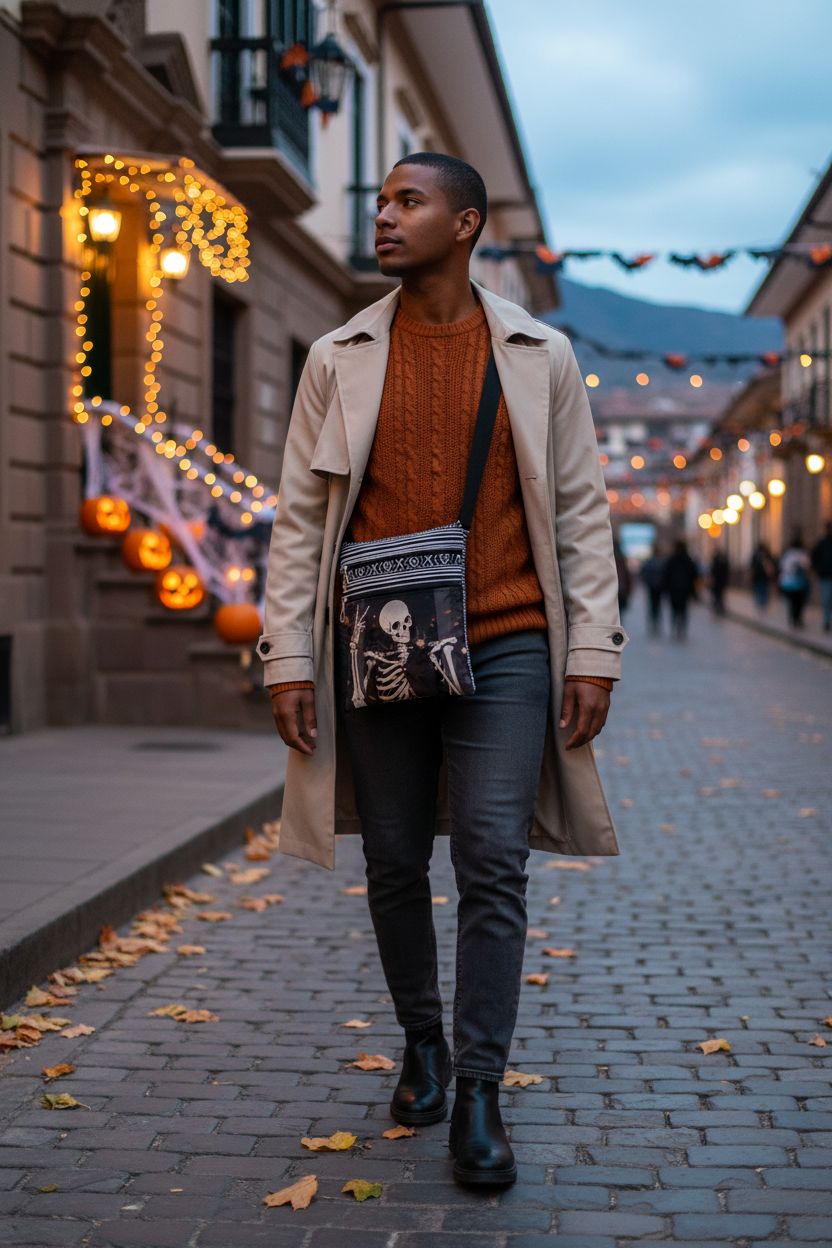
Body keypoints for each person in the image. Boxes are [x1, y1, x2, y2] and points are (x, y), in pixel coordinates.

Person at [256, 152, 629, 1189]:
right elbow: (299, 521)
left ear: (464, 225)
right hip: (375, 635)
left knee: (492, 859)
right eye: (380, 200)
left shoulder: (538, 354)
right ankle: (420, 1039)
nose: (383, 215)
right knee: (389, 859)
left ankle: (476, 1086)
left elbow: (582, 513)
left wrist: (590, 650)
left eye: (407, 201)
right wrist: (288, 655)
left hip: (508, 639)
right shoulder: (337, 355)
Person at [662, 538, 699, 640]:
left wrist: (666, 589)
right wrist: (694, 592)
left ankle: (674, 628)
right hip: (685, 590)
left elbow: (666, 575)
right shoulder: (688, 560)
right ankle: (682, 629)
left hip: (673, 590)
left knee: (674, 610)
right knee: (683, 610)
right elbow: (694, 575)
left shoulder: (672, 560)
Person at [778, 531, 812, 628]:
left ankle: (793, 617)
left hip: (788, 583)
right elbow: (808, 566)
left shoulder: (787, 555)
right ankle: (797, 618)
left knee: (792, 602)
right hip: (800, 583)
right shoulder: (803, 555)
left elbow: (782, 567)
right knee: (799, 602)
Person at [640, 544, 667, 636]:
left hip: (651, 587)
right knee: (658, 606)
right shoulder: (662, 562)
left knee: (652, 606)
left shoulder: (650, 562)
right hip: (659, 588)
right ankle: (656, 624)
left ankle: (653, 624)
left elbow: (643, 573)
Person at [810, 521, 832, 632]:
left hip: (825, 575)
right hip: (826, 576)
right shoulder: (822, 543)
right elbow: (813, 556)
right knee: (826, 599)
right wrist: (817, 569)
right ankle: (826, 621)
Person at [750, 542, 777, 611]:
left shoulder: (756, 555)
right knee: (763, 590)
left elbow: (752, 566)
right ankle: (762, 603)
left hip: (759, 577)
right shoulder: (767, 555)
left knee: (760, 590)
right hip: (763, 577)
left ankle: (761, 603)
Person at [613, 535, 633, 615]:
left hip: (614, 589)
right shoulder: (622, 559)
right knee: (619, 614)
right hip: (621, 589)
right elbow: (627, 576)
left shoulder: (611, 559)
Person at [709, 549, 730, 616]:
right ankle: (719, 606)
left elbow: (713, 571)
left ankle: (718, 606)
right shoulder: (723, 562)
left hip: (717, 582)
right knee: (719, 595)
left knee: (718, 595)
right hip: (720, 582)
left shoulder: (716, 562)